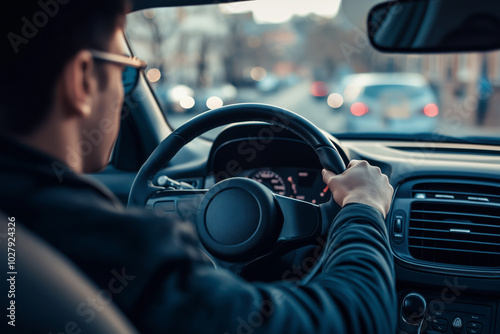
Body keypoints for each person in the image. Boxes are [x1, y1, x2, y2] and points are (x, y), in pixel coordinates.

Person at [0, 1, 396, 333]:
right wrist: (362, 205)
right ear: (82, 81)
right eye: (125, 74)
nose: (124, 96)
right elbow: (353, 318)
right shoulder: (117, 249)